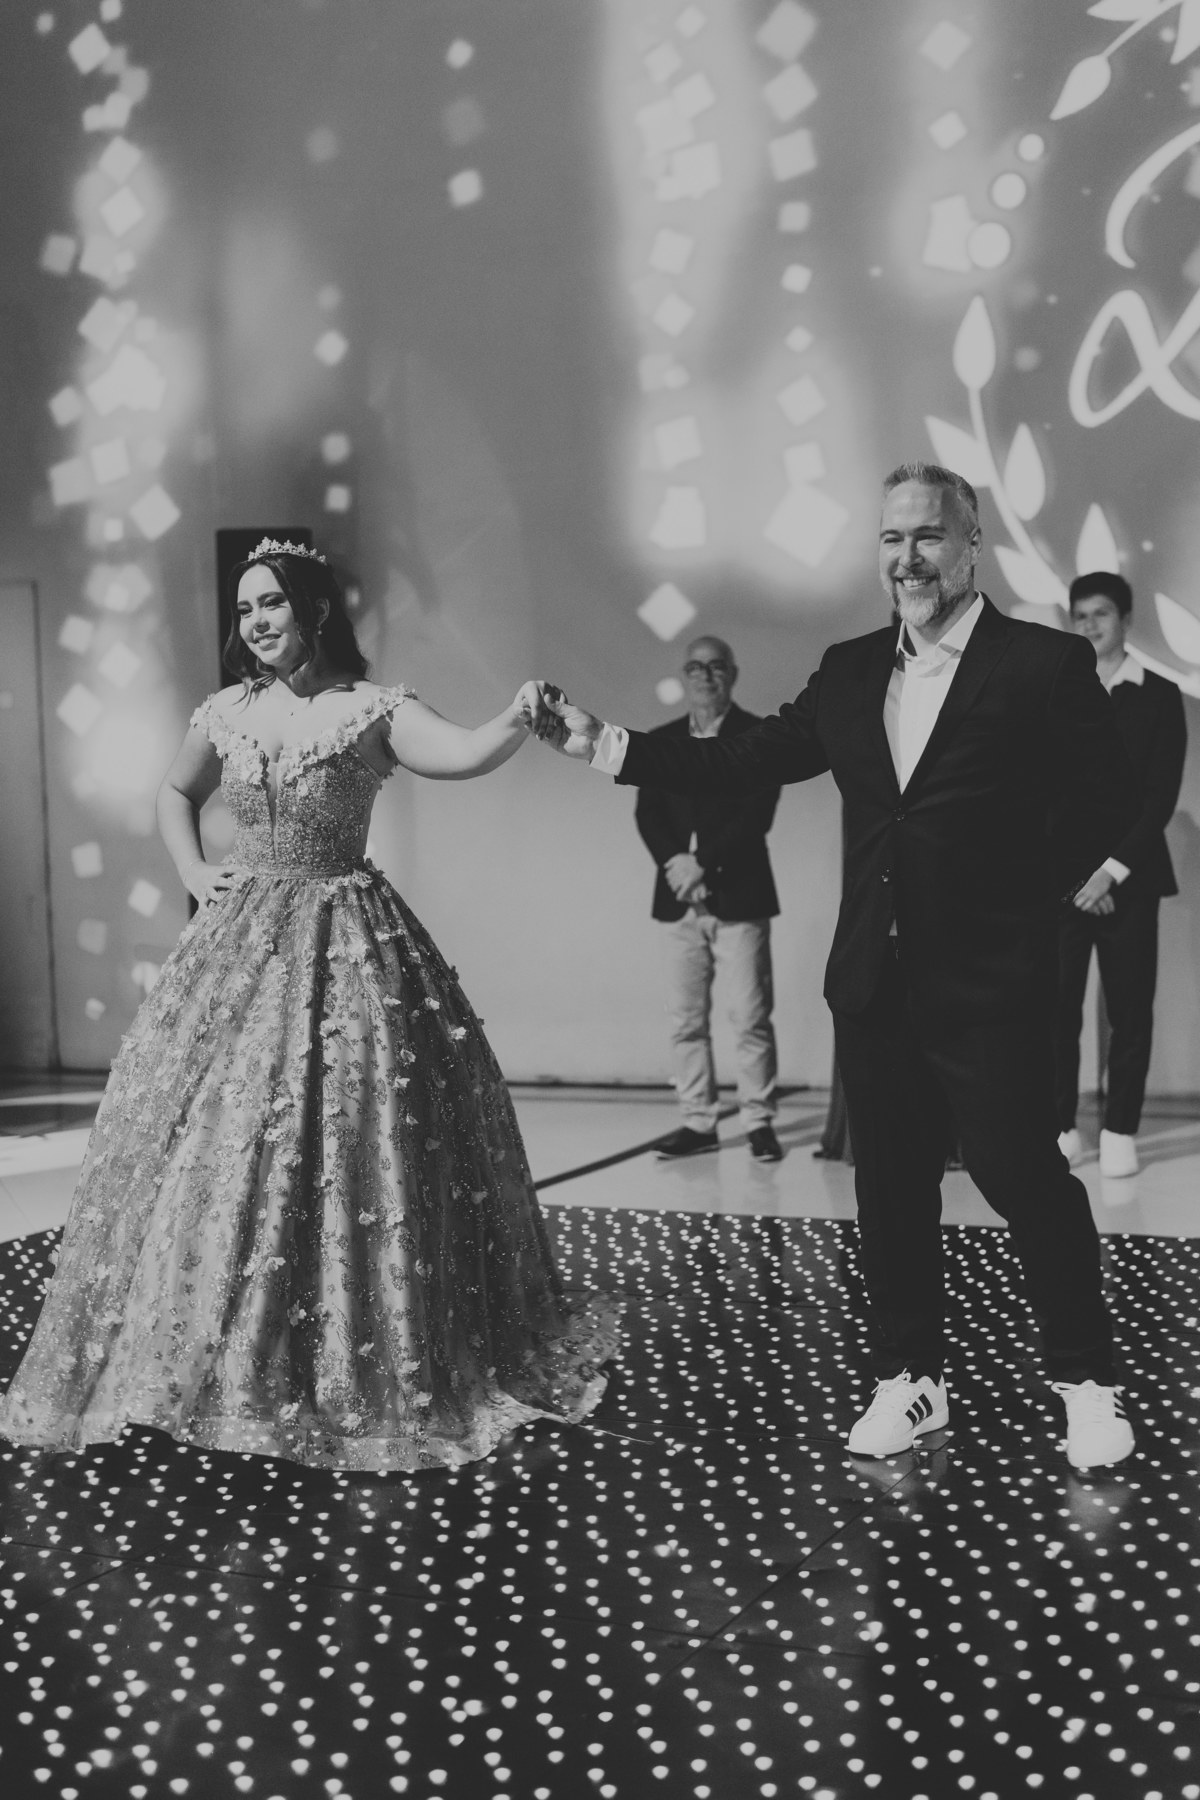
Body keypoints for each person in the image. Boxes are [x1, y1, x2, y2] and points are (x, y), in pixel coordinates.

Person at [538, 462, 1140, 1471]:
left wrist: (1032, 907)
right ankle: (911, 1380)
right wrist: (607, 746)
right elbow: (744, 758)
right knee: (890, 1192)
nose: (909, 557)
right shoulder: (852, 670)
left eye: (929, 536)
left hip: (991, 985)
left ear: (971, 545)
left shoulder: (1040, 664)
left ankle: (1087, 1382)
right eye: (892, 539)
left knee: (1025, 1180)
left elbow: (1109, 795)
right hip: (874, 980)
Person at [0, 539, 619, 1473]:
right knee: (220, 1137)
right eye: (246, 607)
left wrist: (516, 714)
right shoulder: (227, 710)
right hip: (238, 943)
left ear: (316, 610)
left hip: (345, 937)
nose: (255, 621)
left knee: (346, 1132)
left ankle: (330, 1351)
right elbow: (175, 791)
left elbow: (461, 755)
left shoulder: (372, 708)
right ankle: (209, 1356)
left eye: (273, 604)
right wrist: (193, 871)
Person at [1054, 571, 1188, 1179]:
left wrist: (1108, 873)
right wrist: (1084, 876)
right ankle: (1061, 1126)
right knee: (1056, 1011)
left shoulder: (1159, 693)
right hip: (1066, 883)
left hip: (1130, 880)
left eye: (1100, 613)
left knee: (1131, 1012)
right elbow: (1047, 791)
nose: (1089, 625)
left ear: (1126, 620)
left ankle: (1119, 1129)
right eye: (1079, 615)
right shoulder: (1057, 691)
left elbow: (1159, 797)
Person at [634, 634, 783, 1163]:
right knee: (685, 1021)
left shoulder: (759, 736)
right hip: (678, 898)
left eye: (716, 666)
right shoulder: (661, 741)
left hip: (740, 895)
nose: (705, 676)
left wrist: (704, 863)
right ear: (685, 675)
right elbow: (648, 813)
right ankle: (698, 1121)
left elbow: (756, 815)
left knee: (750, 1017)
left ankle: (759, 1121)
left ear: (732, 674)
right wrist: (678, 864)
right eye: (696, 667)